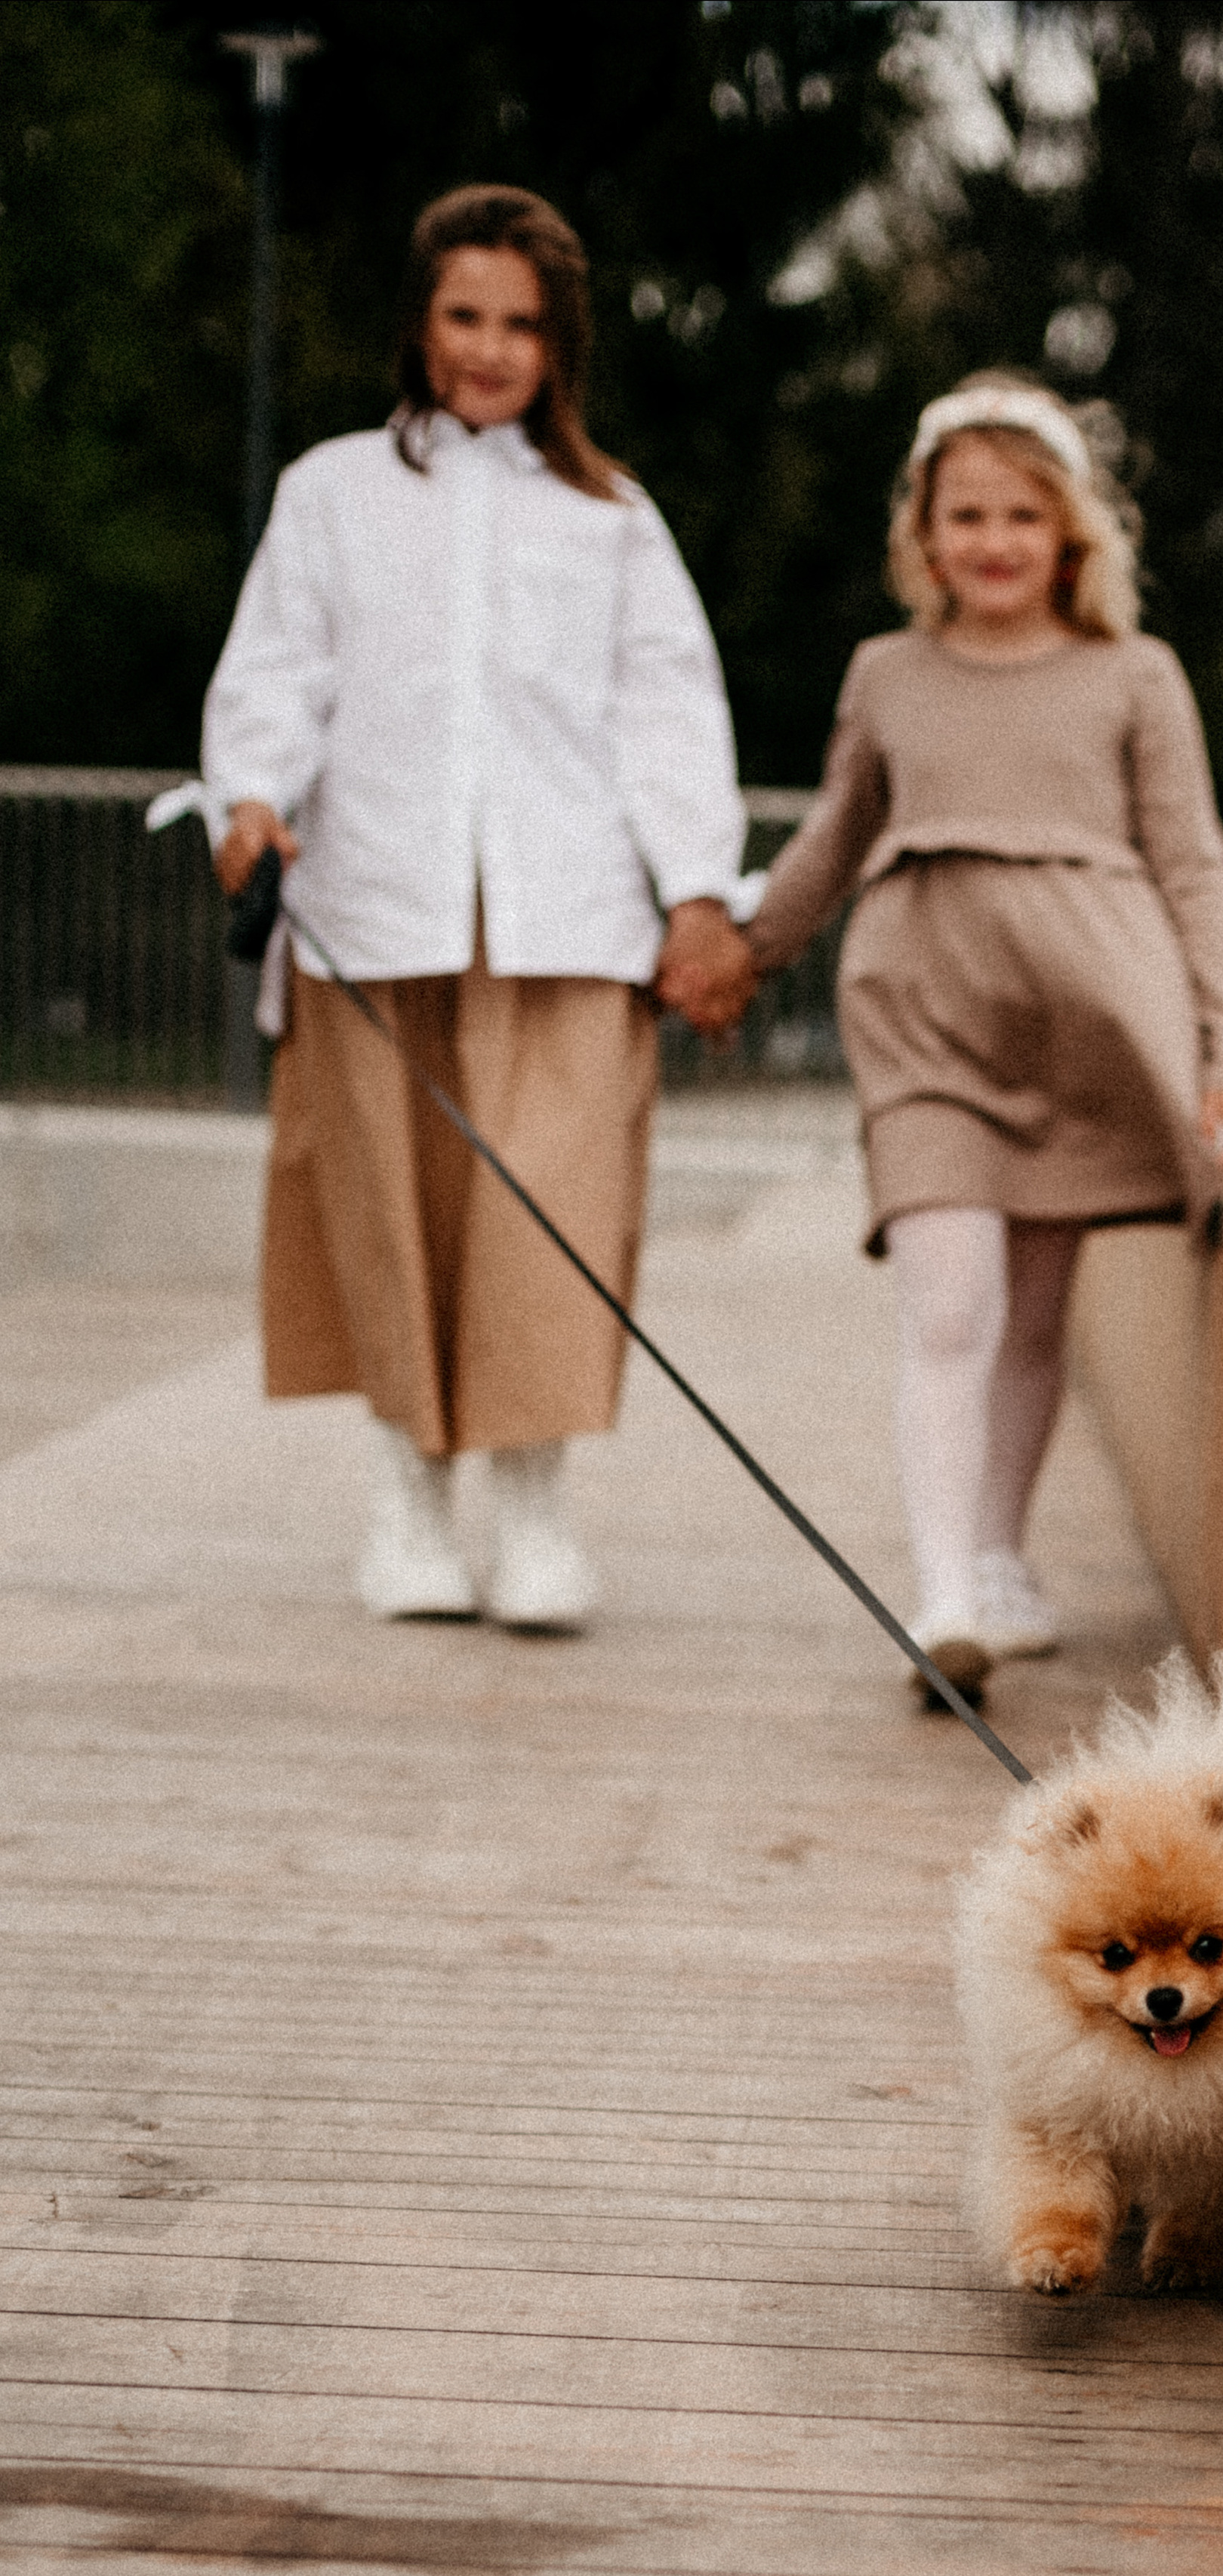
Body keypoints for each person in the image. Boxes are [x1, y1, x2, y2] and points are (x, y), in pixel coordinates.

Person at [202, 184, 759, 1632]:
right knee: (388, 1214)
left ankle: (534, 1515)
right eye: (465, 315)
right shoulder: (332, 492)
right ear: (420, 320)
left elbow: (669, 713)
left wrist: (697, 893)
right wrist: (250, 796)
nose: (490, 349)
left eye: (522, 323)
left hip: (568, 921)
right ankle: (407, 1509)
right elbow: (277, 671)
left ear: (561, 342)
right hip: (372, 910)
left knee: (548, 1217)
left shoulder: (613, 518)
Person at [747, 371, 1223, 1696]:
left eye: (1022, 516)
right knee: (949, 1300)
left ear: (1070, 533)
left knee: (1034, 1316)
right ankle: (943, 1604)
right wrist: (739, 953)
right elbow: (833, 838)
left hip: (1086, 1026)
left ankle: (997, 1553)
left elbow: (1194, 864)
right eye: (965, 515)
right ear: (923, 534)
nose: (993, 541)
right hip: (923, 1014)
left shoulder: (1135, 675)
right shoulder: (887, 673)